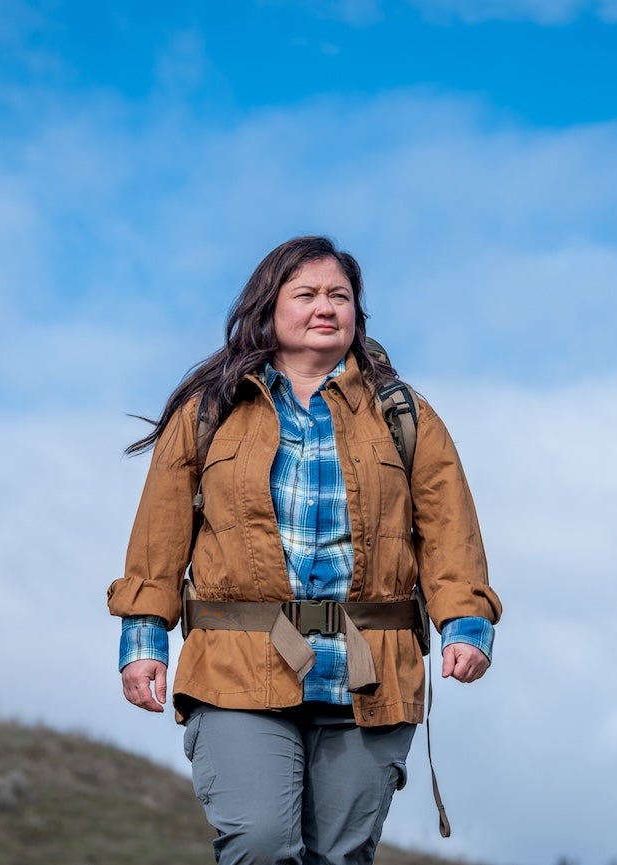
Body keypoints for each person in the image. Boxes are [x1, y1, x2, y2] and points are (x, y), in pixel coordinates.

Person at [107, 236, 502, 865]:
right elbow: (157, 542)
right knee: (260, 844)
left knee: (341, 857)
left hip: (369, 670)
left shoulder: (406, 416)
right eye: (307, 295)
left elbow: (450, 536)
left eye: (340, 296)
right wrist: (143, 641)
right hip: (236, 665)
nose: (327, 307)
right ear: (268, 310)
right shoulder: (208, 411)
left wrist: (465, 625)